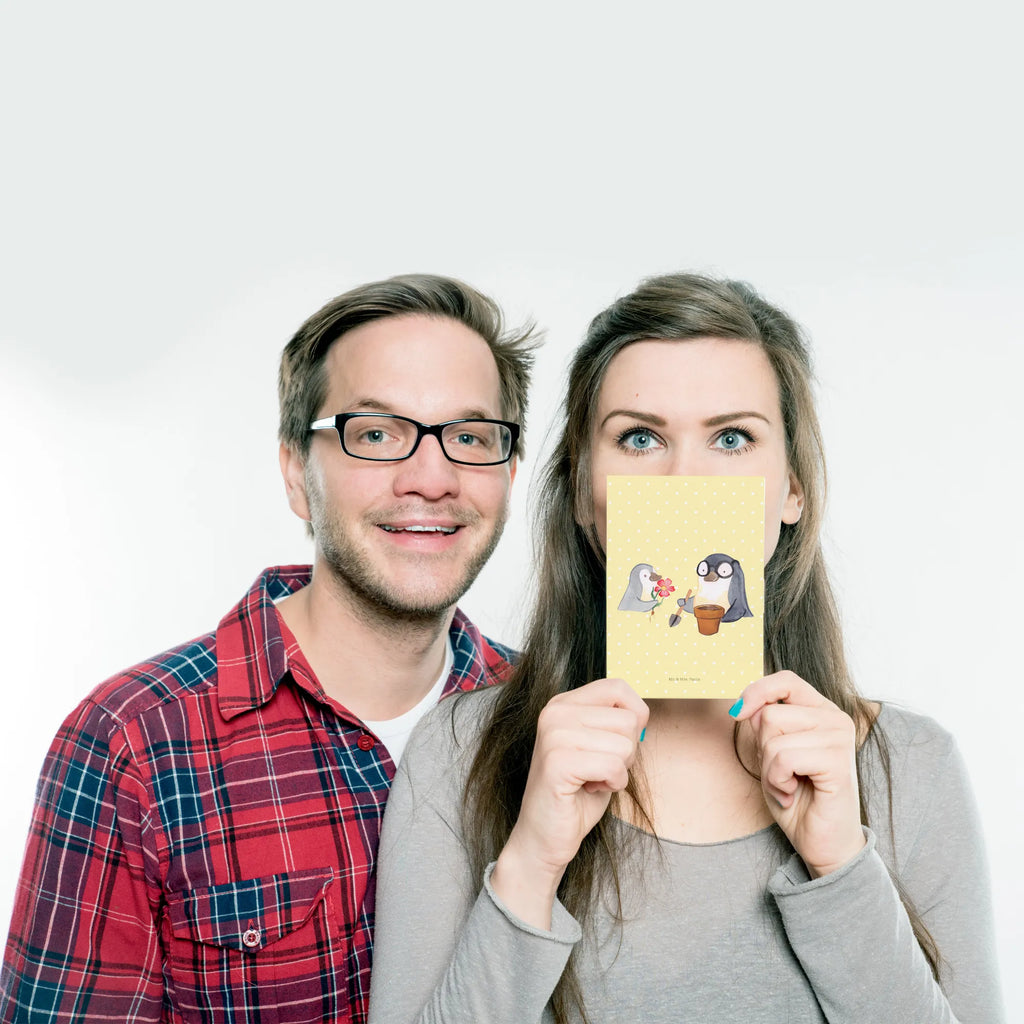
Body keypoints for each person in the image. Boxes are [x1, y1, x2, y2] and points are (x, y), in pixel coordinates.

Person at [368, 273, 1004, 1023]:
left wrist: (840, 864)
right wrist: (531, 861)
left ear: (791, 489)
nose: (685, 481)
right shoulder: (459, 752)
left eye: (732, 438)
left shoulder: (912, 768)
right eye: (640, 438)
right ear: (584, 491)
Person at [0, 274, 538, 1024]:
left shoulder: (546, 715)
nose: (432, 478)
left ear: (508, 472)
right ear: (295, 474)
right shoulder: (131, 744)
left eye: (470, 438)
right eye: (376, 434)